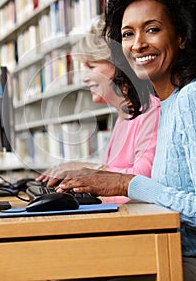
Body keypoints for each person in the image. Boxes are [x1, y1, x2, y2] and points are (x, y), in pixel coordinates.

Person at [50, 0, 196, 280]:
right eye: (127, 34)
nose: (138, 44)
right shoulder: (166, 103)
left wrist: (125, 183)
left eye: (152, 29)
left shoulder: (190, 99)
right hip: (163, 248)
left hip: (182, 258)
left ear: (181, 36)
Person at [37, 17, 160, 204]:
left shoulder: (151, 110)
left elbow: (142, 179)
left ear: (119, 66)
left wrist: (89, 170)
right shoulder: (123, 116)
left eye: (91, 66)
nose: (85, 78)